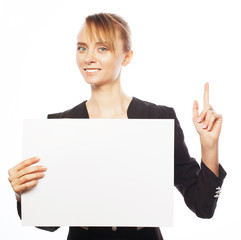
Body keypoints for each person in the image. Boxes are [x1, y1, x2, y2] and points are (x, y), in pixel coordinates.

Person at [8, 13, 226, 240]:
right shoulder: (61, 126)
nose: (88, 58)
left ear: (126, 56)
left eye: (102, 48)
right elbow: (49, 224)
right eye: (82, 48)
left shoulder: (158, 119)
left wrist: (209, 145)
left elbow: (203, 207)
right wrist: (23, 194)